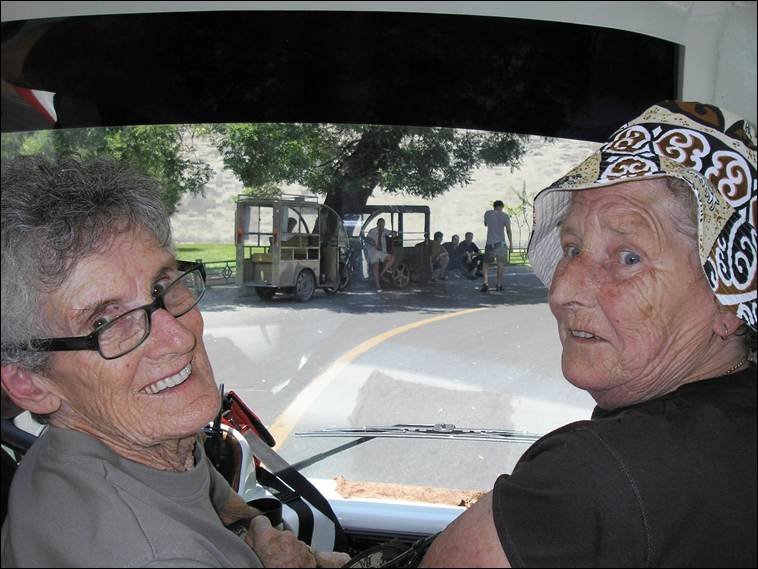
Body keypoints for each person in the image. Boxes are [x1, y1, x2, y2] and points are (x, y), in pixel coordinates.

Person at [420, 101, 756, 567]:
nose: (562, 292)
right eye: (573, 248)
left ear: (729, 303)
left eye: (629, 258)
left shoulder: (588, 481)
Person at [0, 157, 349, 568]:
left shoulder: (117, 447)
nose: (180, 338)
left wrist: (258, 541)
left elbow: (221, 507)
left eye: (161, 286)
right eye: (105, 322)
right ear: (30, 383)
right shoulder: (161, 557)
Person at [480, 200, 513, 292]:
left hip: (490, 242)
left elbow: (486, 224)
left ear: (494, 206)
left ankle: (485, 283)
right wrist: (511, 244)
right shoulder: (505, 216)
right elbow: (508, 230)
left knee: (486, 264)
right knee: (500, 264)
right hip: (500, 243)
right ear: (502, 207)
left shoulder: (487, 213)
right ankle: (498, 284)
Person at [365, 217, 396, 292]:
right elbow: (367, 239)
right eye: (381, 223)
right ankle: (378, 286)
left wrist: (394, 233)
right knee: (376, 266)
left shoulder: (385, 231)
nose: (382, 225)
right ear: (377, 224)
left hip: (382, 252)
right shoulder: (372, 231)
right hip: (373, 252)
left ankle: (381, 274)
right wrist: (372, 242)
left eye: (383, 223)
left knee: (392, 258)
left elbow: (392, 233)